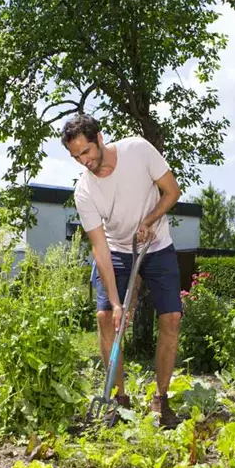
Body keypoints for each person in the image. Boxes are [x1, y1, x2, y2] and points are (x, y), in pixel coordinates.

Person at [61, 114, 182, 427]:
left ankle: (161, 399)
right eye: (76, 157)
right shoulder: (85, 191)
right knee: (105, 318)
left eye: (86, 152)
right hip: (115, 249)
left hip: (156, 245)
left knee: (171, 318)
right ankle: (119, 400)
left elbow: (172, 191)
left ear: (99, 139)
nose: (83, 161)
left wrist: (149, 220)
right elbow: (100, 250)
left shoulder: (138, 151)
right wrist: (116, 303)